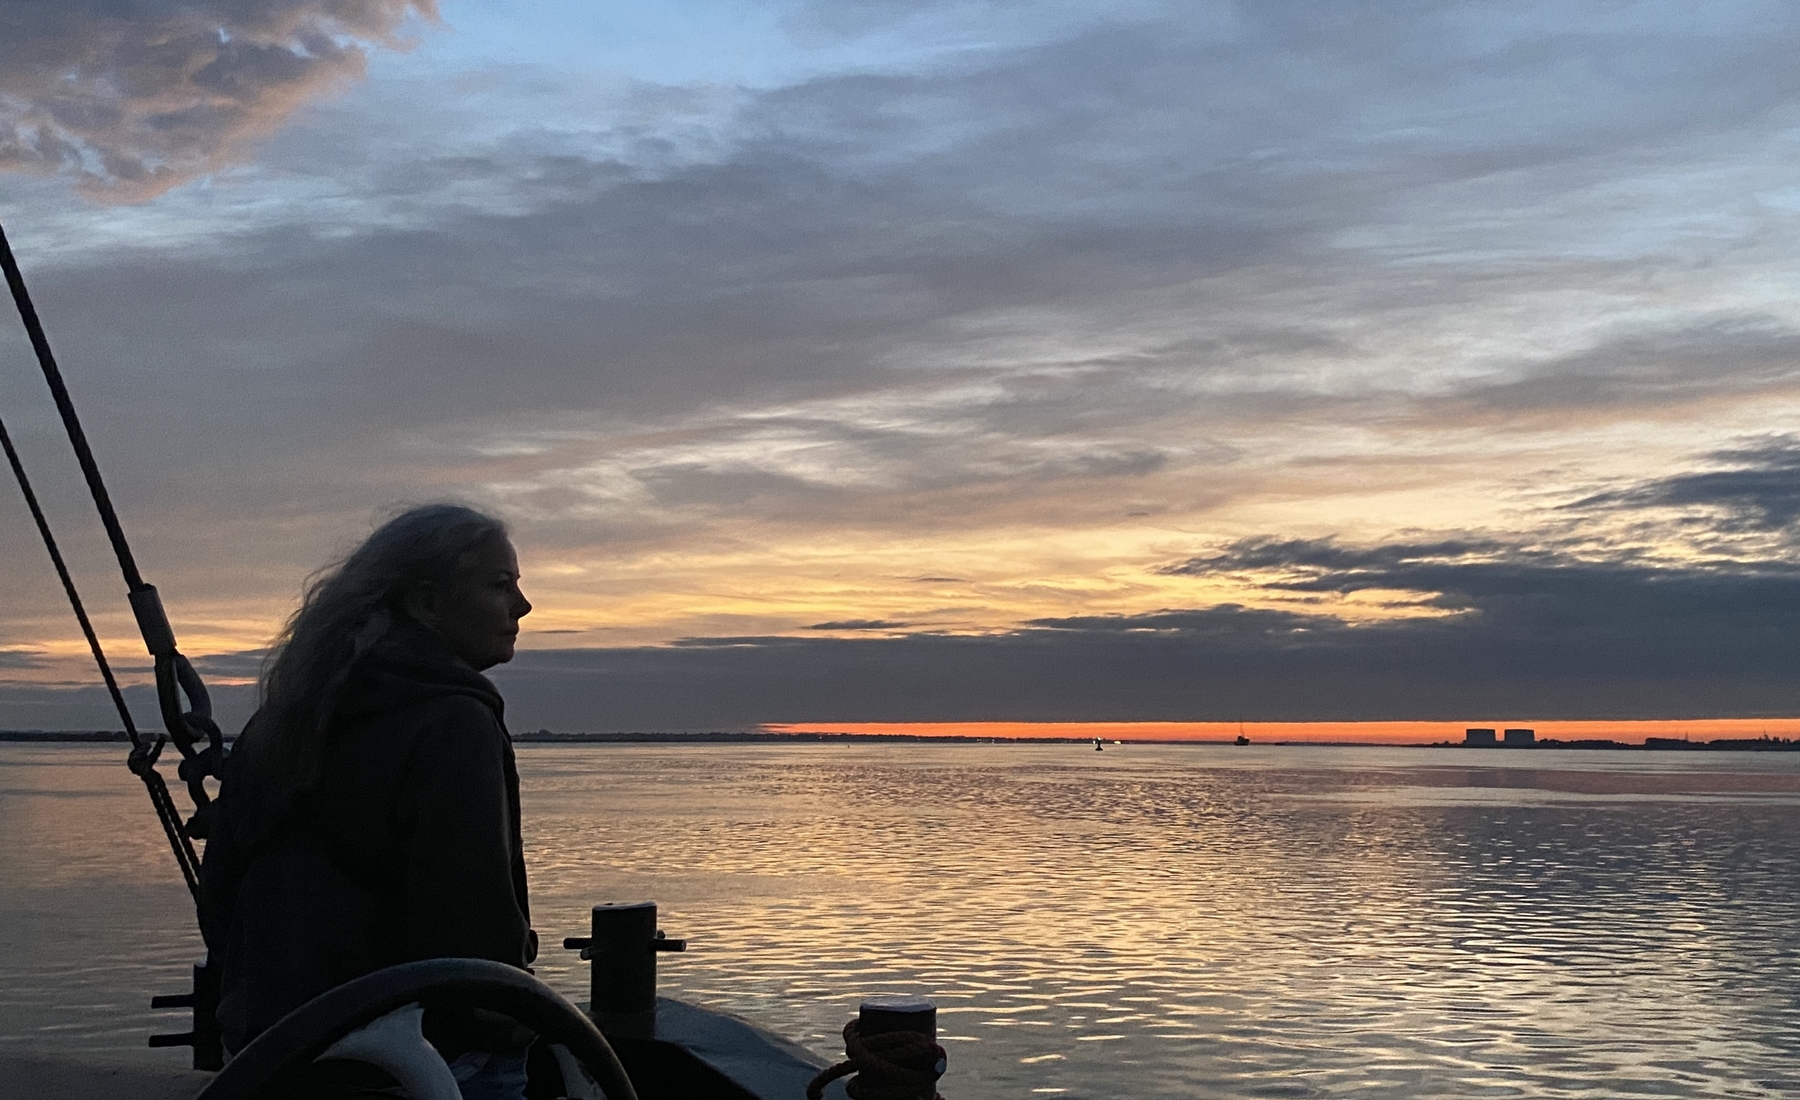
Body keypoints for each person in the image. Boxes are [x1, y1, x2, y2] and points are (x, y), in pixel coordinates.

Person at [199, 504, 537, 1099]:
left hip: (271, 1052)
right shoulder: (453, 722)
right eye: (499, 585)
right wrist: (514, 1027)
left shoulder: (283, 719)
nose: (523, 605)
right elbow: (472, 936)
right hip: (420, 1066)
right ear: (427, 602)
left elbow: (221, 901)